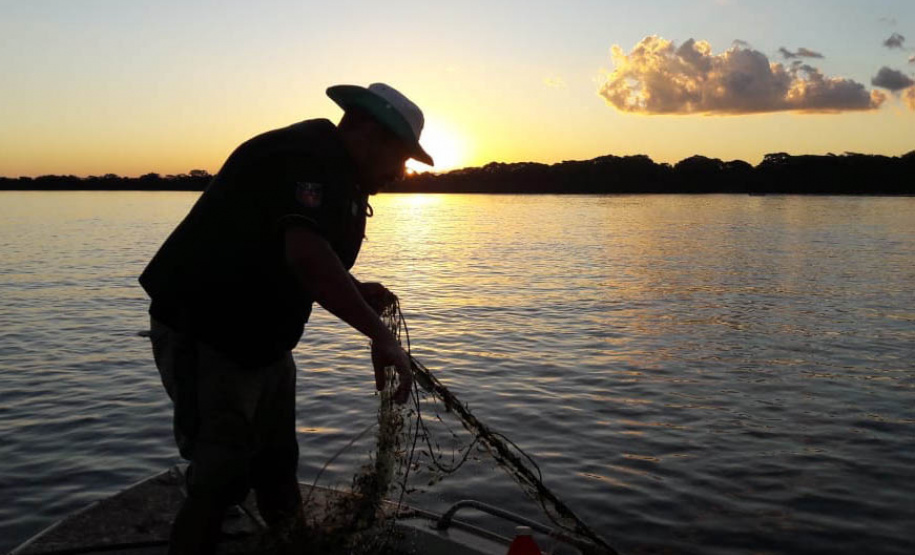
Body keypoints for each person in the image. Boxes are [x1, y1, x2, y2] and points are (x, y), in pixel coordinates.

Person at [139, 83, 433, 554]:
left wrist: (357, 291)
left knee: (277, 464)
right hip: (208, 329)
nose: (401, 172)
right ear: (368, 132)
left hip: (263, 339)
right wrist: (381, 336)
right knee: (221, 474)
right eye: (400, 157)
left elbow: (295, 256)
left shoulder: (340, 175)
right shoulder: (305, 157)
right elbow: (307, 258)